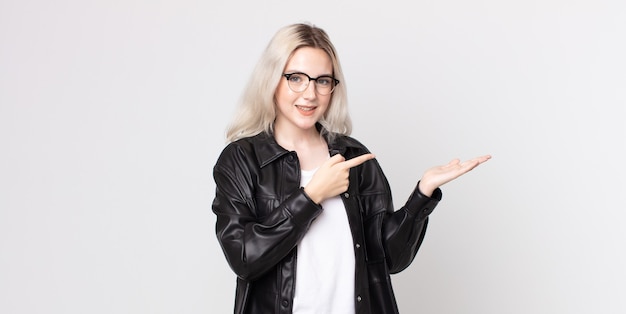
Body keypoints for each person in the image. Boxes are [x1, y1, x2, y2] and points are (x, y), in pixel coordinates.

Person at [211, 22, 491, 314]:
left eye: (322, 81)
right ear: (272, 80)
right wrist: (311, 196)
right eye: (296, 78)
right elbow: (243, 258)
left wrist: (423, 194)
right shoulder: (241, 160)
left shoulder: (354, 157)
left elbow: (391, 260)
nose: (309, 94)